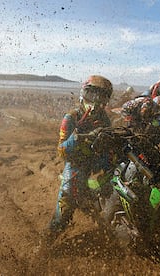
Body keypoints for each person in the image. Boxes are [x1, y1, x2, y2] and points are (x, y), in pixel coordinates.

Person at [48, 75, 114, 236]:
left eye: (102, 96)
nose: (96, 101)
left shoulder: (104, 119)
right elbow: (62, 152)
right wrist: (77, 136)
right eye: (92, 95)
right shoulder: (72, 117)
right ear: (84, 94)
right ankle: (46, 243)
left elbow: (108, 146)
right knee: (66, 204)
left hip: (98, 162)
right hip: (77, 165)